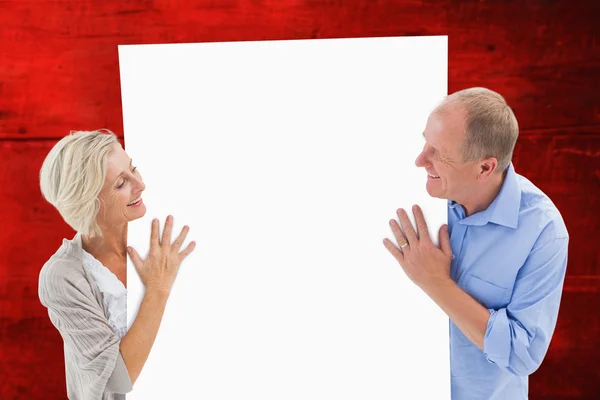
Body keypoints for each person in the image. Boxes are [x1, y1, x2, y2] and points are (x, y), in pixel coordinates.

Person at [383, 88, 569, 399]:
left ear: (485, 168)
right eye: (424, 141)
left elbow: (522, 354)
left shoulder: (543, 231)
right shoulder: (416, 195)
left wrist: (436, 283)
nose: (419, 160)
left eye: (438, 153)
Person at [38, 129, 196, 400]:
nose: (140, 185)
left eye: (134, 169)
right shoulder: (63, 276)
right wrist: (158, 288)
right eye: (121, 183)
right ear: (88, 203)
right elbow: (117, 379)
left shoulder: (161, 237)